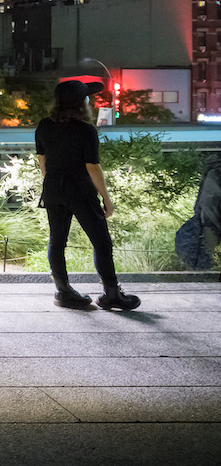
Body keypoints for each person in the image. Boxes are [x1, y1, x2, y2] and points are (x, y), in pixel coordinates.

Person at [35, 79, 140, 311]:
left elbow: (43, 160)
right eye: (87, 97)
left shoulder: (44, 126)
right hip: (79, 190)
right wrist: (106, 197)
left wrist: (51, 183)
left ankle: (63, 292)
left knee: (57, 240)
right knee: (101, 240)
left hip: (53, 188)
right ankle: (111, 294)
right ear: (81, 103)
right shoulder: (86, 130)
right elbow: (92, 166)